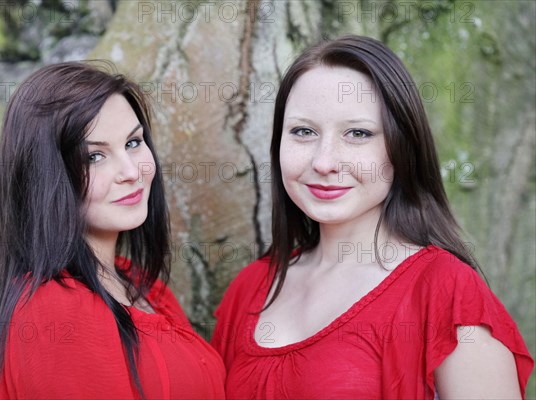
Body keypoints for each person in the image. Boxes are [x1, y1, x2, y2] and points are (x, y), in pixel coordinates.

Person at [211, 35, 533, 399]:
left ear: (401, 147)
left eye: (358, 133)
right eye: (303, 131)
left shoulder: (446, 292)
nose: (324, 162)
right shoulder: (251, 286)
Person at [0, 62, 225, 399]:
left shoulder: (142, 285)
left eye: (132, 143)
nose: (130, 171)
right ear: (47, 178)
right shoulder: (53, 311)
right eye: (94, 156)